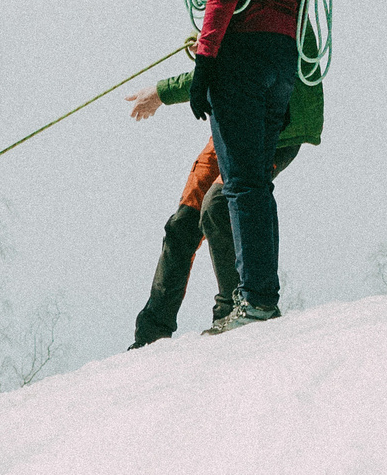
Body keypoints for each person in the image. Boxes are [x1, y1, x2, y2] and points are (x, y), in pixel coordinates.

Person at [171, 0, 332, 333]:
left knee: (240, 185)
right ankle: (261, 295)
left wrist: (205, 60)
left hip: (239, 53)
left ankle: (255, 300)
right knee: (256, 183)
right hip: (283, 56)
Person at [123, 64, 322, 344]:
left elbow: (233, 64)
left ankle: (233, 309)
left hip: (274, 126)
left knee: (217, 205)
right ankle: (150, 335)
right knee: (183, 223)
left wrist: (161, 92)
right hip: (231, 119)